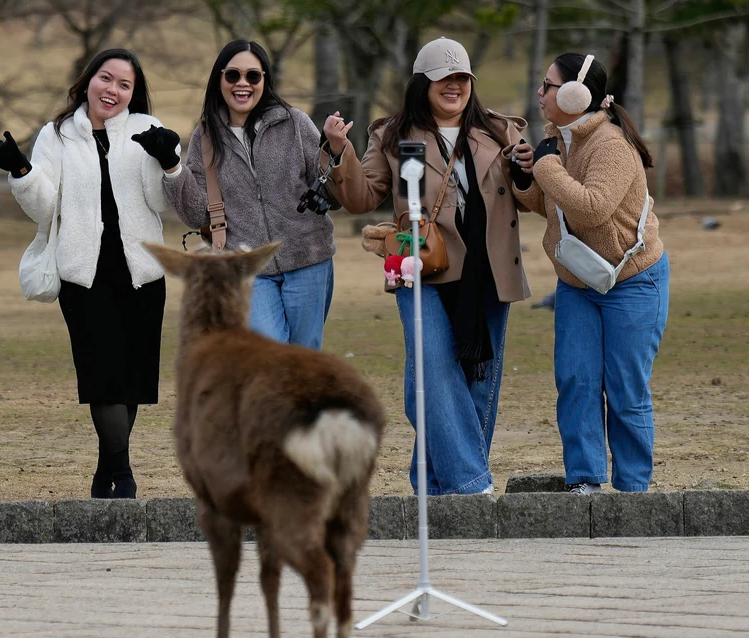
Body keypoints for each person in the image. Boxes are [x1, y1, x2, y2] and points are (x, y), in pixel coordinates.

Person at [326, 37, 530, 496]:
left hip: (489, 271)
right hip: (422, 268)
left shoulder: (502, 131)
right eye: (443, 79)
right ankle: (470, 485)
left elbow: (529, 198)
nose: (454, 86)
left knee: (478, 381)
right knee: (435, 373)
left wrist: (528, 174)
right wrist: (340, 152)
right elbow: (361, 197)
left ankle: (434, 488)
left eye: (462, 78)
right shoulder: (393, 135)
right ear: (423, 83)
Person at [0, 48, 171, 499]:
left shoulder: (147, 128)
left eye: (124, 84)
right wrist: (21, 170)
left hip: (142, 273)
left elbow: (161, 201)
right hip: (84, 276)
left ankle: (106, 470)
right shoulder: (57, 134)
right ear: (88, 80)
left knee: (131, 380)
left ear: (133, 93)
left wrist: (169, 160)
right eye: (106, 78)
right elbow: (45, 207)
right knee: (102, 375)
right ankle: (123, 477)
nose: (113, 90)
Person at [512, 52, 667, 495]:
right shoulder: (559, 140)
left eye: (548, 85)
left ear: (576, 95)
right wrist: (524, 179)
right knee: (576, 381)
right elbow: (555, 207)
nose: (539, 93)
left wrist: (545, 168)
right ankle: (585, 483)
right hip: (578, 283)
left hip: (632, 281)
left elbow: (593, 209)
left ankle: (633, 493)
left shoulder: (610, 145)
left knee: (625, 390)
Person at [157, 39, 338, 349]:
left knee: (304, 356)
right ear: (219, 79)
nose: (243, 83)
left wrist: (335, 152)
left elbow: (329, 192)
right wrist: (172, 168)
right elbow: (197, 214)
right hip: (247, 267)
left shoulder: (295, 123)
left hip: (309, 260)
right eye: (233, 75)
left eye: (253, 76)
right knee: (267, 354)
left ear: (264, 80)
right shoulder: (205, 136)